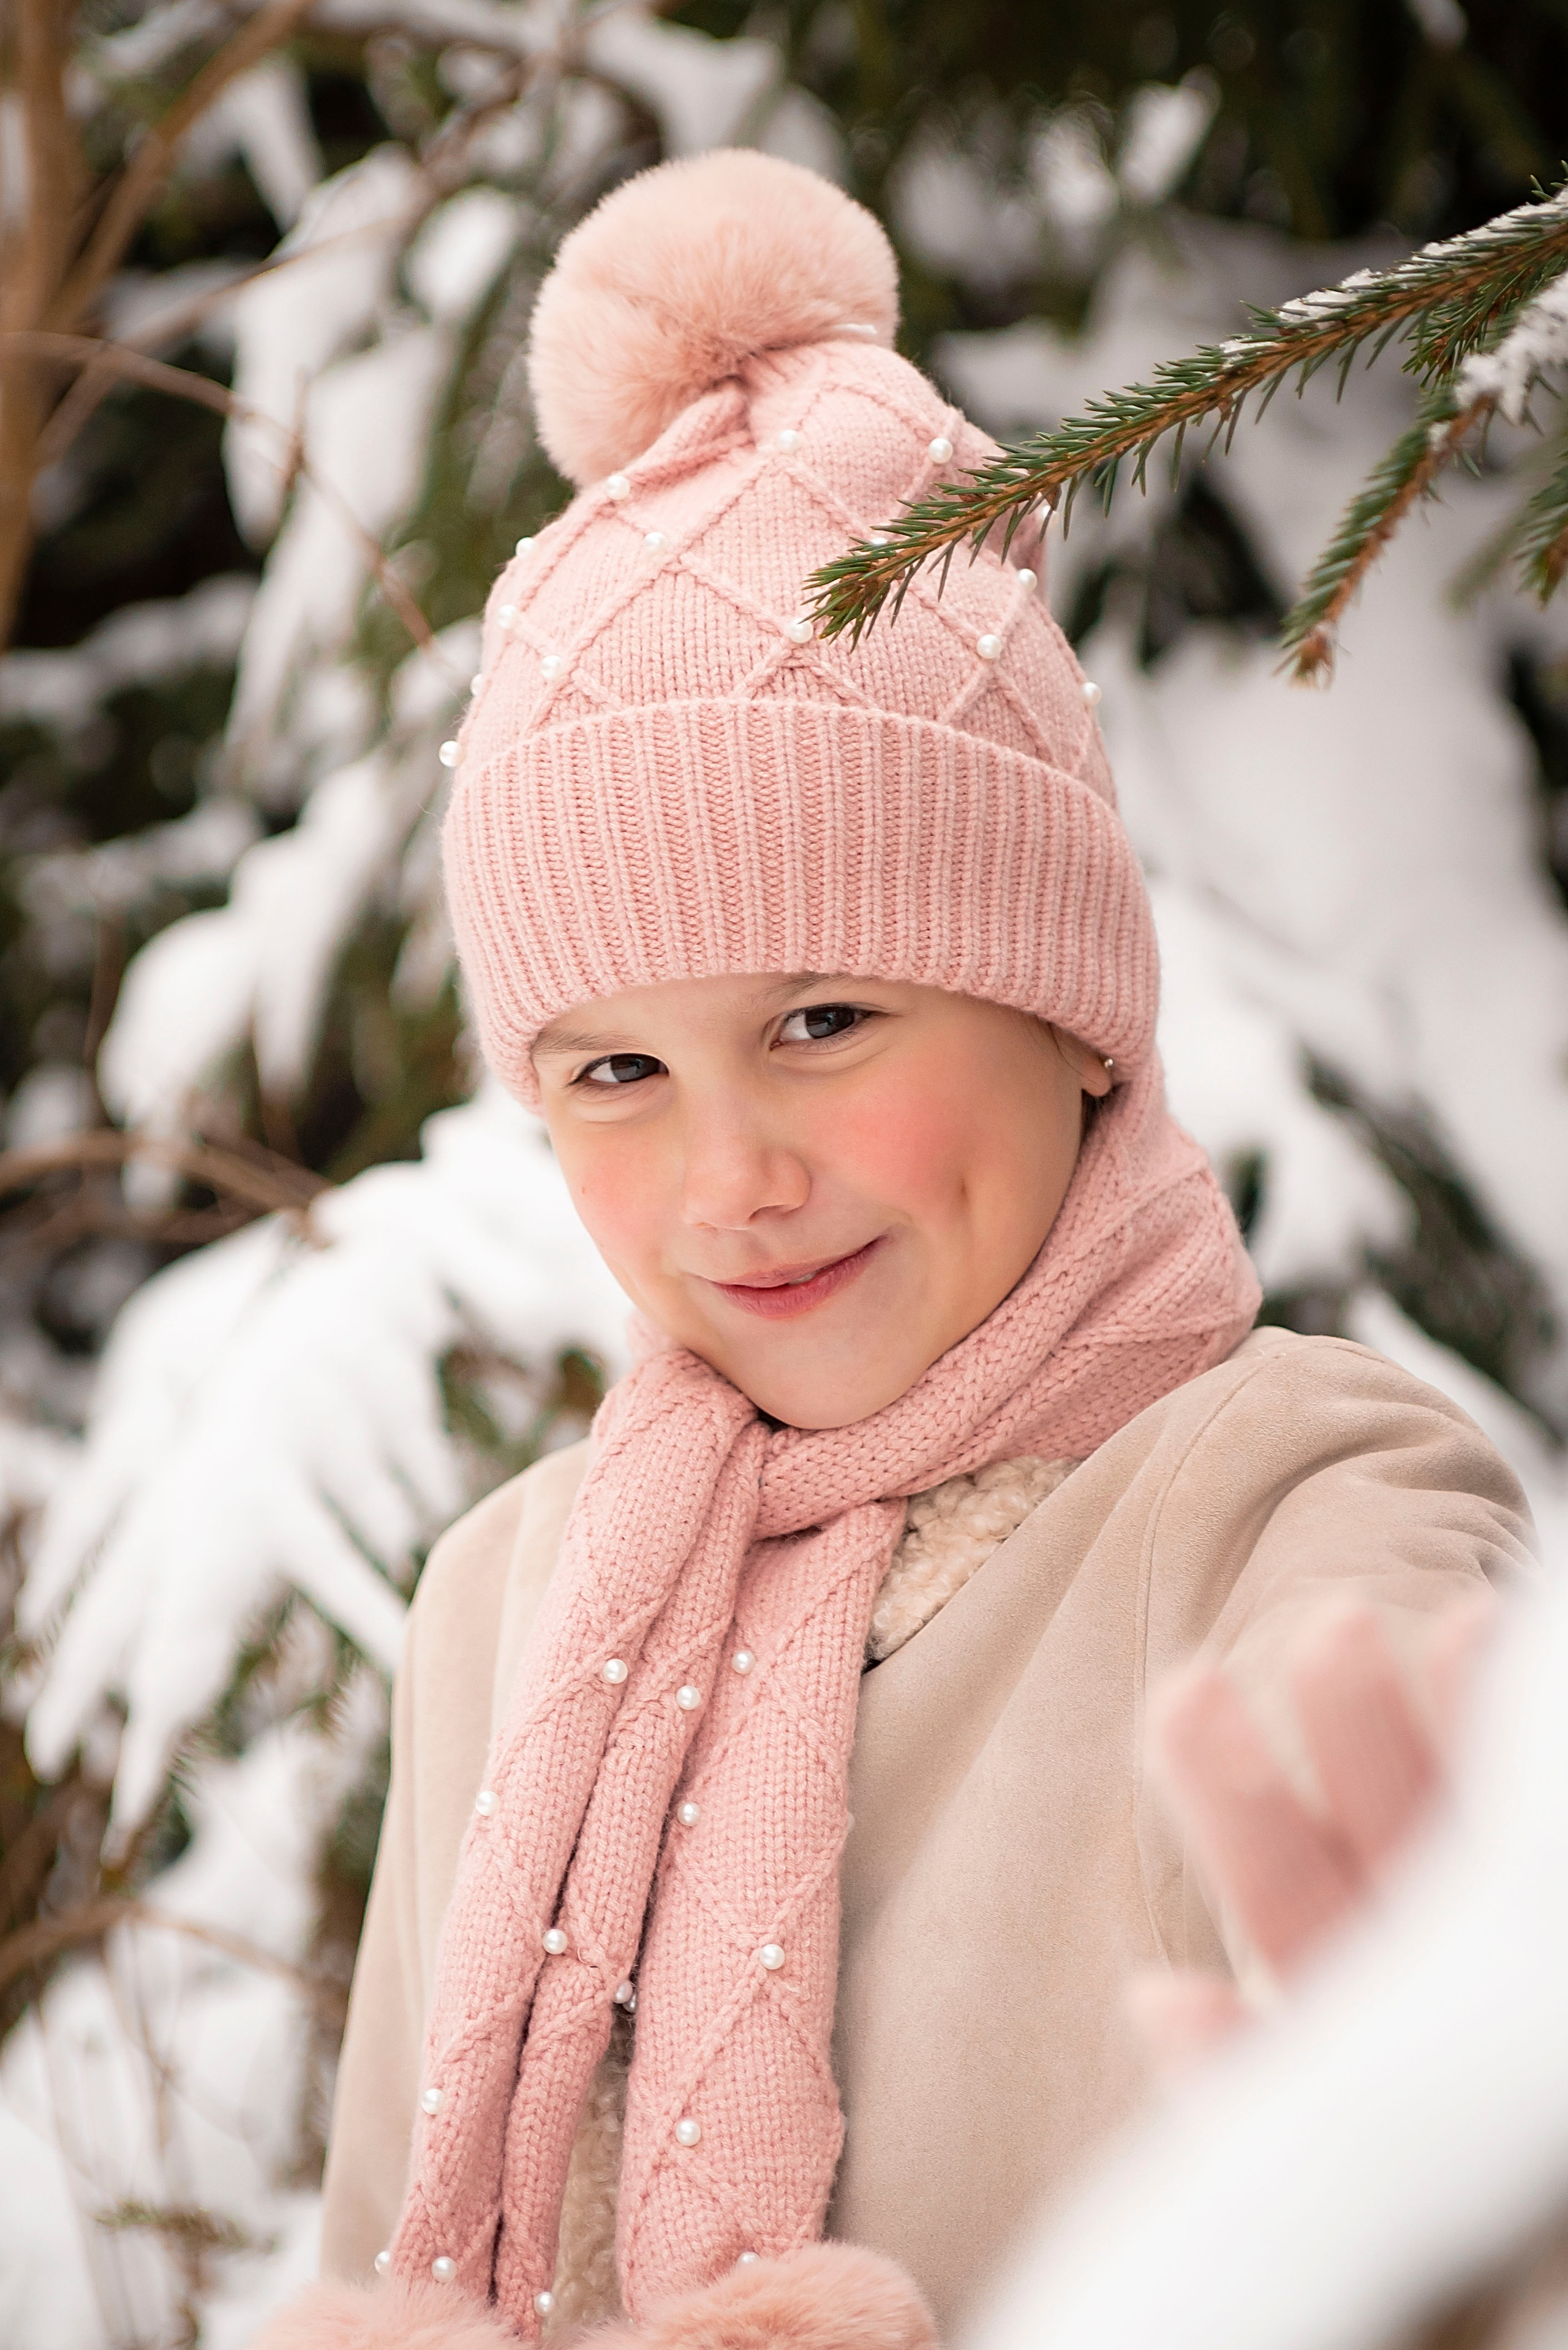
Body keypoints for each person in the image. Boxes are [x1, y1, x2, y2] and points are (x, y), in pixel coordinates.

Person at [255, 149, 1532, 2350]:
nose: (730, 1174)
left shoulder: (1291, 1507)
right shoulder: (511, 1606)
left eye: (823, 1021)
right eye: (615, 1072)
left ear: (1061, 1004)